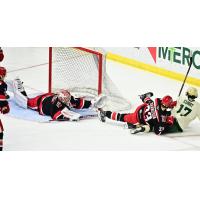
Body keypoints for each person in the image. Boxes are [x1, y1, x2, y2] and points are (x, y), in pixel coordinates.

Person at [11, 77, 107, 121]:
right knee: (26, 102)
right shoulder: (55, 106)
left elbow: (77, 102)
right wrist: (67, 117)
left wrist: (91, 103)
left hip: (49, 95)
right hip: (40, 102)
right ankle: (17, 85)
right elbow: (55, 115)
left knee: (75, 102)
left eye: (68, 98)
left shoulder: (66, 98)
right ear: (61, 100)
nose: (69, 100)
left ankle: (92, 103)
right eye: (67, 100)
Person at [98, 92, 176, 135]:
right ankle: (105, 113)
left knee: (149, 102)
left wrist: (171, 105)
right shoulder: (159, 119)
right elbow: (158, 131)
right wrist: (166, 124)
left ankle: (144, 97)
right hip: (137, 118)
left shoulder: (157, 101)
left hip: (141, 109)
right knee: (122, 117)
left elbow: (160, 107)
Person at [0, 66, 10, 151]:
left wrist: (4, 106)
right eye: (3, 75)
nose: (4, 76)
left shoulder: (3, 85)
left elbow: (3, 95)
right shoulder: (3, 85)